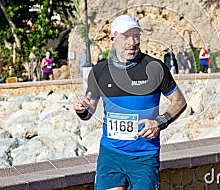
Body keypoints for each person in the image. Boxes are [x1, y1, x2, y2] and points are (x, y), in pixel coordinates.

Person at [72, 15, 187, 190]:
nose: (132, 42)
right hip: (110, 155)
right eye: (125, 36)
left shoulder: (155, 68)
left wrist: (159, 122)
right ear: (112, 38)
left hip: (144, 156)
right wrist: (82, 108)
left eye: (136, 36)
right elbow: (89, 111)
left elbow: (179, 101)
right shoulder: (99, 71)